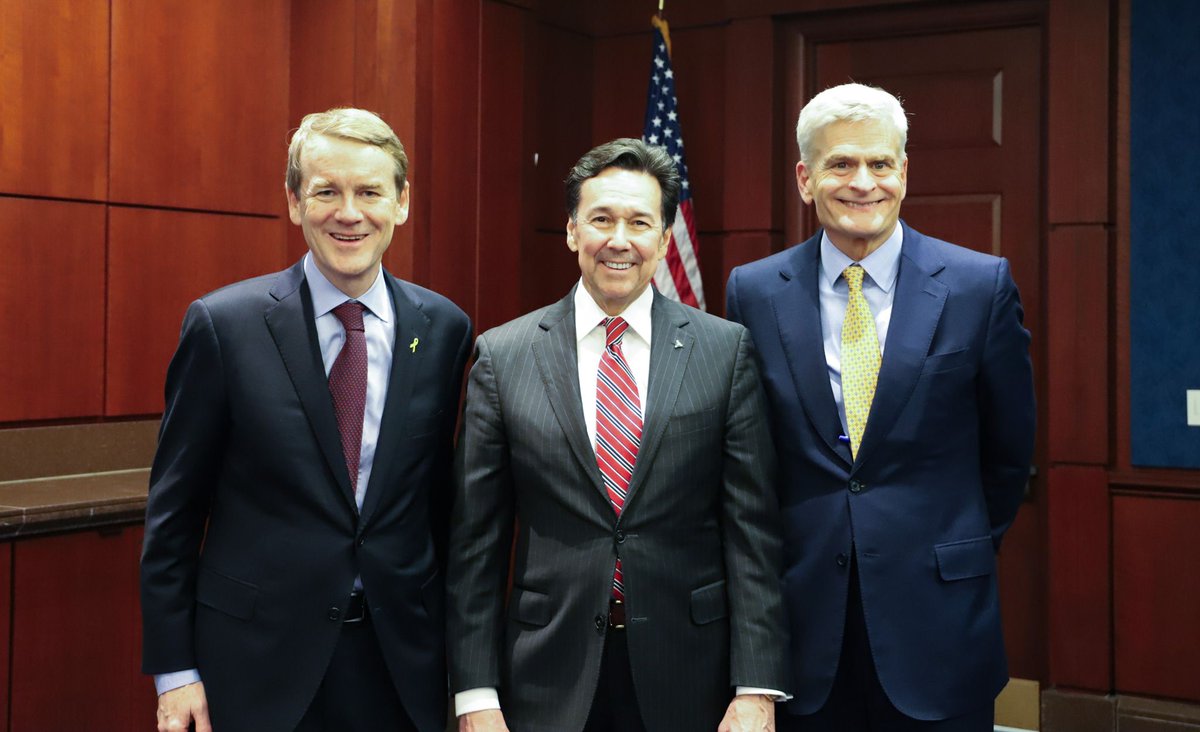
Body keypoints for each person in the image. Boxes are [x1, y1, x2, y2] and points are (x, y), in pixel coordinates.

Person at [140, 107, 472, 732]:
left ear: (402, 203)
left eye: (370, 191)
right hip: (255, 668)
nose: (349, 213)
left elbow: (440, 511)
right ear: (294, 202)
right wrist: (174, 672)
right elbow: (174, 513)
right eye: (326, 191)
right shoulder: (224, 326)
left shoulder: (446, 329)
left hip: (401, 666)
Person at [447, 138, 787, 732]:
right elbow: (476, 543)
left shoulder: (723, 350)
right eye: (601, 219)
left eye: (639, 222)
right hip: (546, 673)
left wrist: (756, 686)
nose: (619, 240)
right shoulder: (504, 356)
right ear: (573, 230)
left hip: (692, 673)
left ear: (663, 237)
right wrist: (476, 693)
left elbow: (751, 529)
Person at [726, 83, 1036, 731]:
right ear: (806, 179)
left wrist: (949, 541)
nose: (863, 182)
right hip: (805, 622)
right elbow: (751, 461)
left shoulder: (980, 286)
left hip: (941, 620)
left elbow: (1009, 456)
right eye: (841, 164)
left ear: (903, 173)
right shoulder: (754, 291)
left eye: (881, 164)